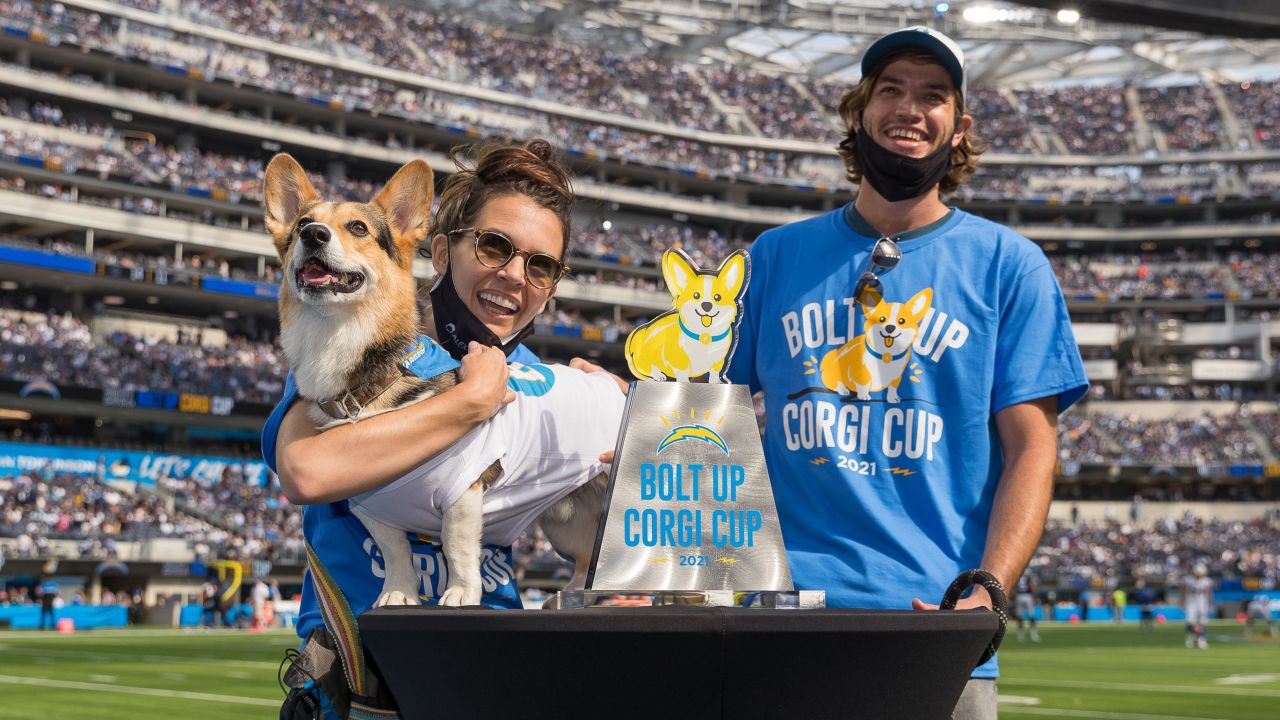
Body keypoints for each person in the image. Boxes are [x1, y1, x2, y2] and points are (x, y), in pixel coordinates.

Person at [726, 26, 1088, 719]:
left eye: (933, 95)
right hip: (780, 617)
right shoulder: (772, 258)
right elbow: (703, 417)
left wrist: (990, 589)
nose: (909, 108)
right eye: (889, 90)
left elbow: (1033, 448)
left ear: (959, 128)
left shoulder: (1010, 266)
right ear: (857, 113)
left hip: (937, 625)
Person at [263, 139, 578, 713]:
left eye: (540, 265)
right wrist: (469, 402)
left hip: (488, 657)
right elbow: (306, 471)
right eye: (494, 246)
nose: (513, 275)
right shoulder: (342, 352)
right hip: (360, 674)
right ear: (439, 249)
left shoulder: (538, 379)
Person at [1183, 565, 1213, 649]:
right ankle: (1190, 638)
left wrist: (1210, 604)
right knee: (1190, 621)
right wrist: (1182, 602)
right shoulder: (1188, 579)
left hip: (1202, 602)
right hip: (1191, 602)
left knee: (1202, 622)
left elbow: (1208, 593)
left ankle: (1202, 639)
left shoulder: (1206, 581)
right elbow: (1184, 591)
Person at [1014, 574, 1039, 642]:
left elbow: (1014, 586)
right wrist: (1035, 595)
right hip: (1028, 596)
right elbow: (1032, 585)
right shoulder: (1028, 576)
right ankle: (1034, 634)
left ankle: (1020, 635)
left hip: (1019, 596)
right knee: (1031, 615)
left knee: (1020, 617)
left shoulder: (1018, 575)